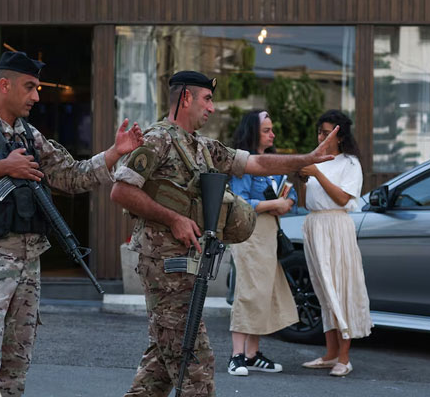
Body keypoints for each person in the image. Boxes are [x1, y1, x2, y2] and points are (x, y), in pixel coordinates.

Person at [110, 70, 339, 396]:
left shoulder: (202, 147)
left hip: (189, 265)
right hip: (164, 266)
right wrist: (174, 218)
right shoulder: (157, 140)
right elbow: (121, 191)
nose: (212, 107)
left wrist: (306, 159)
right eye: (207, 99)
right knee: (196, 363)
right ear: (186, 98)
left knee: (159, 367)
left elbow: (255, 164)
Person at [0, 51, 143, 397]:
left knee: (16, 360)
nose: (36, 96)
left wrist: (113, 153)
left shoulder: (29, 135)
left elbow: (70, 175)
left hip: (27, 260)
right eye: (30, 87)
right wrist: (3, 168)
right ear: (5, 85)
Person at [298, 109, 372, 377]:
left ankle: (344, 356)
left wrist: (317, 173)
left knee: (340, 286)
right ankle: (330, 354)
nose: (321, 136)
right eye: (319, 131)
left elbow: (342, 199)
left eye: (326, 131)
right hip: (315, 224)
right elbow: (306, 201)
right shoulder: (316, 161)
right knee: (323, 289)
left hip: (337, 225)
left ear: (339, 136)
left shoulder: (349, 163)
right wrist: (304, 179)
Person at [226, 110, 300, 376]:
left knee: (264, 292)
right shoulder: (243, 162)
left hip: (268, 233)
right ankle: (236, 355)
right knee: (249, 291)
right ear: (253, 132)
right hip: (248, 232)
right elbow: (239, 201)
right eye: (267, 130)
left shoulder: (270, 161)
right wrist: (275, 204)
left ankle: (252, 353)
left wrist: (287, 203)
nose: (272, 134)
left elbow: (287, 192)